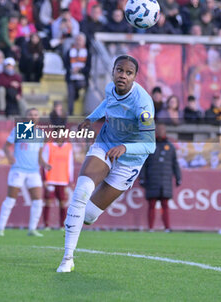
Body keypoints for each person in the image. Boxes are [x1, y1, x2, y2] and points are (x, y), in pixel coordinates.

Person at [56, 54, 156, 272]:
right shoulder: (110, 88)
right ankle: (67, 258)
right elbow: (107, 104)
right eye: (119, 70)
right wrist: (91, 118)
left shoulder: (143, 104)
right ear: (113, 71)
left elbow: (150, 146)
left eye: (128, 73)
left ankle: (78, 221)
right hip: (105, 144)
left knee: (89, 215)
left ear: (135, 77)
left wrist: (126, 148)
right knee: (81, 192)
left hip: (129, 161)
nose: (123, 75)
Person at [0, 108, 51, 237]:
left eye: (35, 115)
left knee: (38, 200)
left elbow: (39, 155)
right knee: (10, 199)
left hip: (34, 171)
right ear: (26, 117)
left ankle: (32, 229)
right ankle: (0, 228)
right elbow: (6, 146)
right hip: (18, 169)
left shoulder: (41, 134)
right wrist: (9, 156)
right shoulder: (19, 129)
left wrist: (44, 164)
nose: (33, 117)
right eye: (30, 114)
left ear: (39, 117)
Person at [139, 123, 181, 232]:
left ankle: (167, 227)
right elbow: (144, 164)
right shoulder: (150, 145)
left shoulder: (170, 147)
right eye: (159, 130)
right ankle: (151, 228)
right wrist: (142, 178)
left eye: (163, 129)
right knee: (151, 205)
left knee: (165, 205)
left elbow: (175, 164)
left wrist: (178, 177)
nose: (160, 132)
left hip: (165, 181)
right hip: (152, 179)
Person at [42, 129, 74, 229]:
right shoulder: (49, 145)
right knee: (48, 201)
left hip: (63, 180)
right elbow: (44, 162)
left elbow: (70, 164)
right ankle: (46, 225)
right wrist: (44, 178)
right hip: (50, 179)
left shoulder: (68, 146)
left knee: (62, 203)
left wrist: (71, 180)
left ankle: (61, 225)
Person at [64, 32, 91, 115]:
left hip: (82, 78)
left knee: (80, 85)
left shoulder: (88, 53)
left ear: (84, 42)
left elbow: (88, 68)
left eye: (80, 40)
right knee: (70, 92)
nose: (78, 42)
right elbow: (66, 64)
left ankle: (85, 112)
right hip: (71, 77)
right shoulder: (69, 51)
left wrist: (79, 70)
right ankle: (70, 113)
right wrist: (72, 70)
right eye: (77, 40)